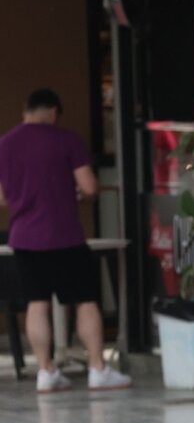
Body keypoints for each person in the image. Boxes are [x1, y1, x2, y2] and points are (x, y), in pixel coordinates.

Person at [0, 89, 131, 393]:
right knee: (85, 300)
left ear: (26, 110)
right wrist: (78, 195)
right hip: (64, 235)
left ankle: (45, 371)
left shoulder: (4, 144)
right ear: (53, 111)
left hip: (24, 238)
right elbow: (89, 186)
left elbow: (2, 197)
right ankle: (97, 368)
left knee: (36, 303)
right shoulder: (66, 139)